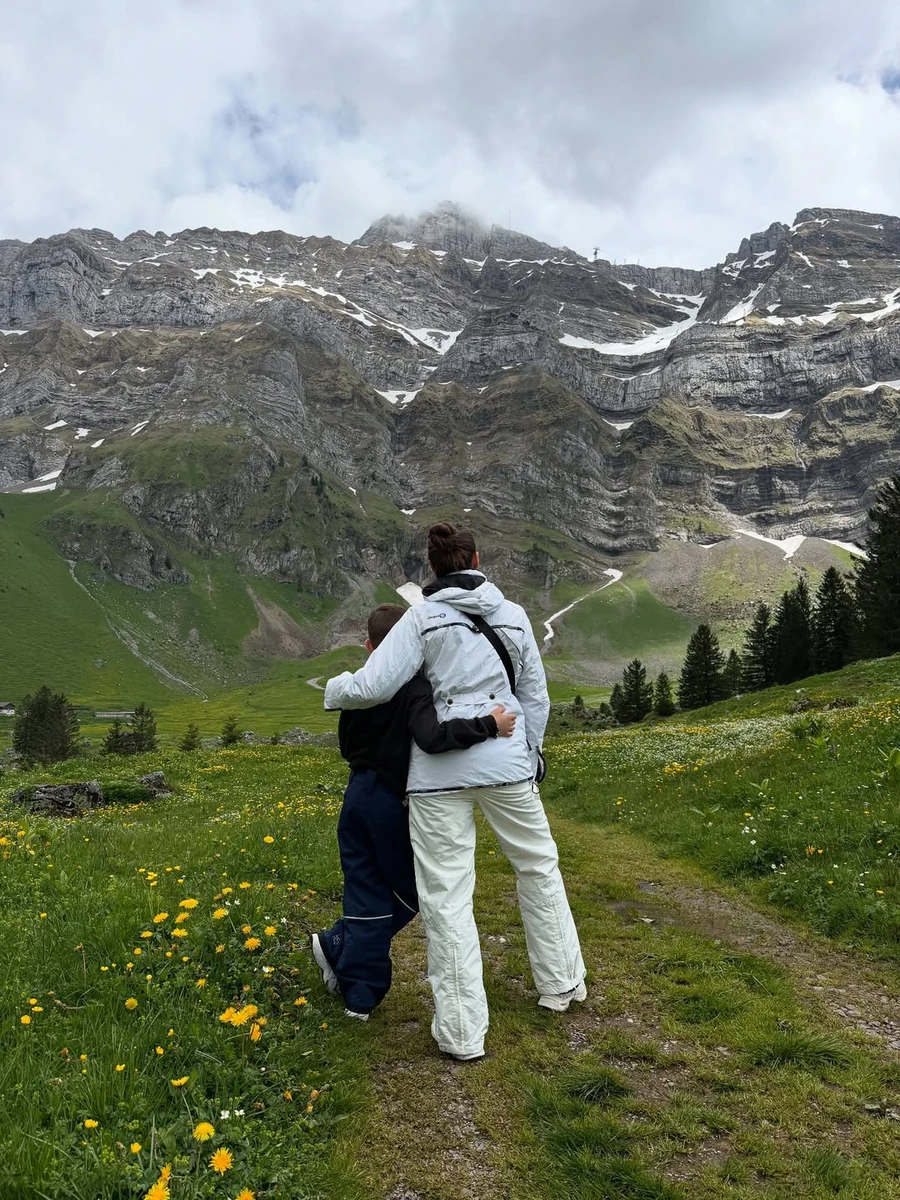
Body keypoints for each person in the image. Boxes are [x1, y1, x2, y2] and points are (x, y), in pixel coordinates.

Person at [324, 524, 586, 1061]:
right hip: (507, 764)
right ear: (476, 559)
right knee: (538, 868)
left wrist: (334, 691)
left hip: (438, 776)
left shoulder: (420, 618)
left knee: (447, 898)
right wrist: (531, 753)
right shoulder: (513, 616)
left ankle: (464, 1033)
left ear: (433, 567)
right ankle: (560, 985)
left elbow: (374, 685)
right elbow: (534, 695)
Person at [312, 602, 517, 1022]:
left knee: (363, 888)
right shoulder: (414, 687)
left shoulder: (357, 687)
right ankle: (340, 946)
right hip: (390, 799)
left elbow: (348, 745)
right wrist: (488, 726)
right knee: (409, 891)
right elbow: (431, 737)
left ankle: (357, 993)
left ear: (370, 646)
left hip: (356, 796)